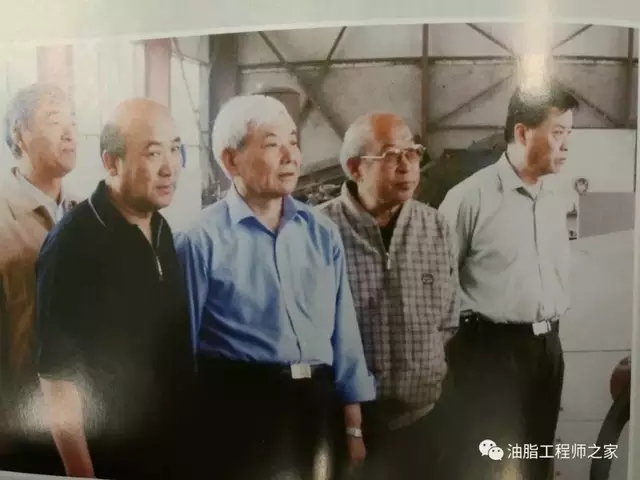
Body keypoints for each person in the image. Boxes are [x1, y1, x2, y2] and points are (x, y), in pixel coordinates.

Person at [174, 94, 376, 480]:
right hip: (240, 411)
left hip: (317, 406)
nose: (290, 156)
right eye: (272, 144)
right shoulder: (199, 240)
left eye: (293, 142)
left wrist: (353, 427)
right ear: (231, 160)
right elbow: (180, 354)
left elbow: (345, 337)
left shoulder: (322, 233)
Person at [32, 98, 197, 479]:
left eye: (175, 149)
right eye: (153, 153)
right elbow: (57, 379)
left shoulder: (160, 227)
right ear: (111, 162)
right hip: (112, 457)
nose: (169, 167)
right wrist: (82, 474)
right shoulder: (71, 245)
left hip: (171, 450)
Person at [437, 83, 579, 480]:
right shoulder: (469, 199)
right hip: (490, 353)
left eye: (570, 133)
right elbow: (436, 286)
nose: (567, 145)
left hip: (548, 349)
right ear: (522, 133)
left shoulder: (557, 195)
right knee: (488, 464)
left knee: (537, 460)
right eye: (557, 132)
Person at [319, 112, 458, 480]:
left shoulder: (436, 227)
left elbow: (448, 319)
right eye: (392, 155)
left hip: (423, 419)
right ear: (355, 168)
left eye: (412, 153)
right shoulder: (319, 231)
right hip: (345, 427)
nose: (407, 165)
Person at [0, 83, 77, 475]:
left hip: (83, 424)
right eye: (54, 120)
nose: (70, 132)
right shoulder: (3, 218)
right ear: (20, 135)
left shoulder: (85, 214)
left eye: (73, 120)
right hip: (18, 428)